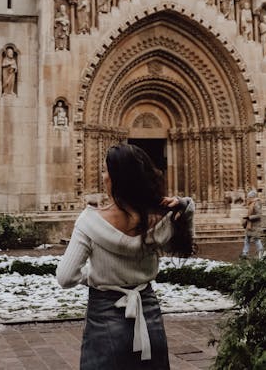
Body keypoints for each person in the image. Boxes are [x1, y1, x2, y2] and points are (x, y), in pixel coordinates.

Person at [56, 144, 195, 369]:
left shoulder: (90, 222)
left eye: (105, 170)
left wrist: (94, 274)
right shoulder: (158, 220)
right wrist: (185, 208)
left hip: (104, 319)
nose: (103, 176)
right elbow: (182, 249)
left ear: (115, 178)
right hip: (149, 316)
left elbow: (65, 277)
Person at [241, 189, 264, 258]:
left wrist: (249, 217)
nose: (248, 199)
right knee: (247, 239)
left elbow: (259, 214)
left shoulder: (256, 203)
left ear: (252, 197)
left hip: (255, 225)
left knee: (257, 239)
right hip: (250, 225)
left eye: (249, 197)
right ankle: (245, 253)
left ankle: (261, 253)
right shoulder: (252, 203)